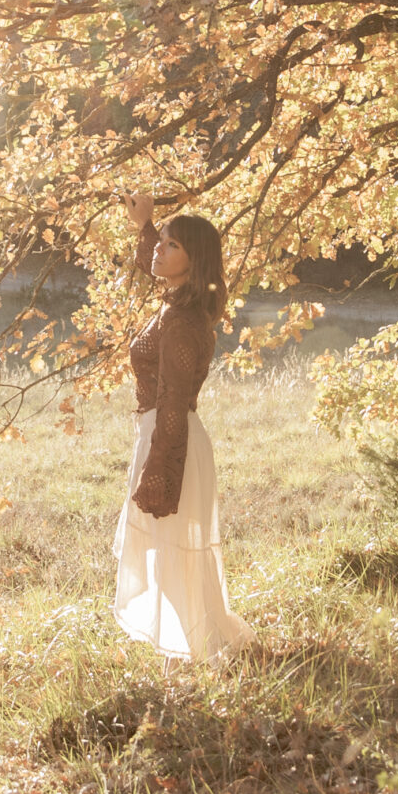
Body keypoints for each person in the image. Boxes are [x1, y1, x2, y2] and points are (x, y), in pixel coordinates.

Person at [113, 193, 255, 663]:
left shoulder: (180, 322)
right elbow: (154, 261)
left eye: (172, 245)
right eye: (162, 241)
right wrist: (147, 226)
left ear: (194, 262)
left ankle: (204, 649)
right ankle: (195, 647)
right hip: (163, 436)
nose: (159, 249)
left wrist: (160, 470)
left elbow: (173, 400)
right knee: (168, 550)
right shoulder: (181, 304)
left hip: (171, 441)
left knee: (173, 551)